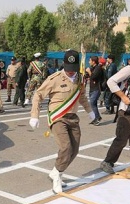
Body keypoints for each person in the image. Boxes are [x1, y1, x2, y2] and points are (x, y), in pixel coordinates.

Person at [29, 50, 95, 193]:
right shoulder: (55, 79)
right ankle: (58, 176)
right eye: (68, 69)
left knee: (75, 149)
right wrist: (35, 115)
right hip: (58, 118)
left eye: (73, 69)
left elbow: (82, 96)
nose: (70, 72)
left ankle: (55, 170)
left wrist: (90, 111)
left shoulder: (80, 79)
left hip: (73, 117)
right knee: (66, 147)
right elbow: (38, 95)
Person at [86, 56, 103, 125]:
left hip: (97, 88)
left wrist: (89, 72)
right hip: (92, 88)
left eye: (90, 60)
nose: (89, 62)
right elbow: (90, 76)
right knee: (93, 104)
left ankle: (98, 117)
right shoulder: (92, 68)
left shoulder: (98, 68)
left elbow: (94, 76)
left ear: (93, 61)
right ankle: (95, 118)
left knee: (92, 103)